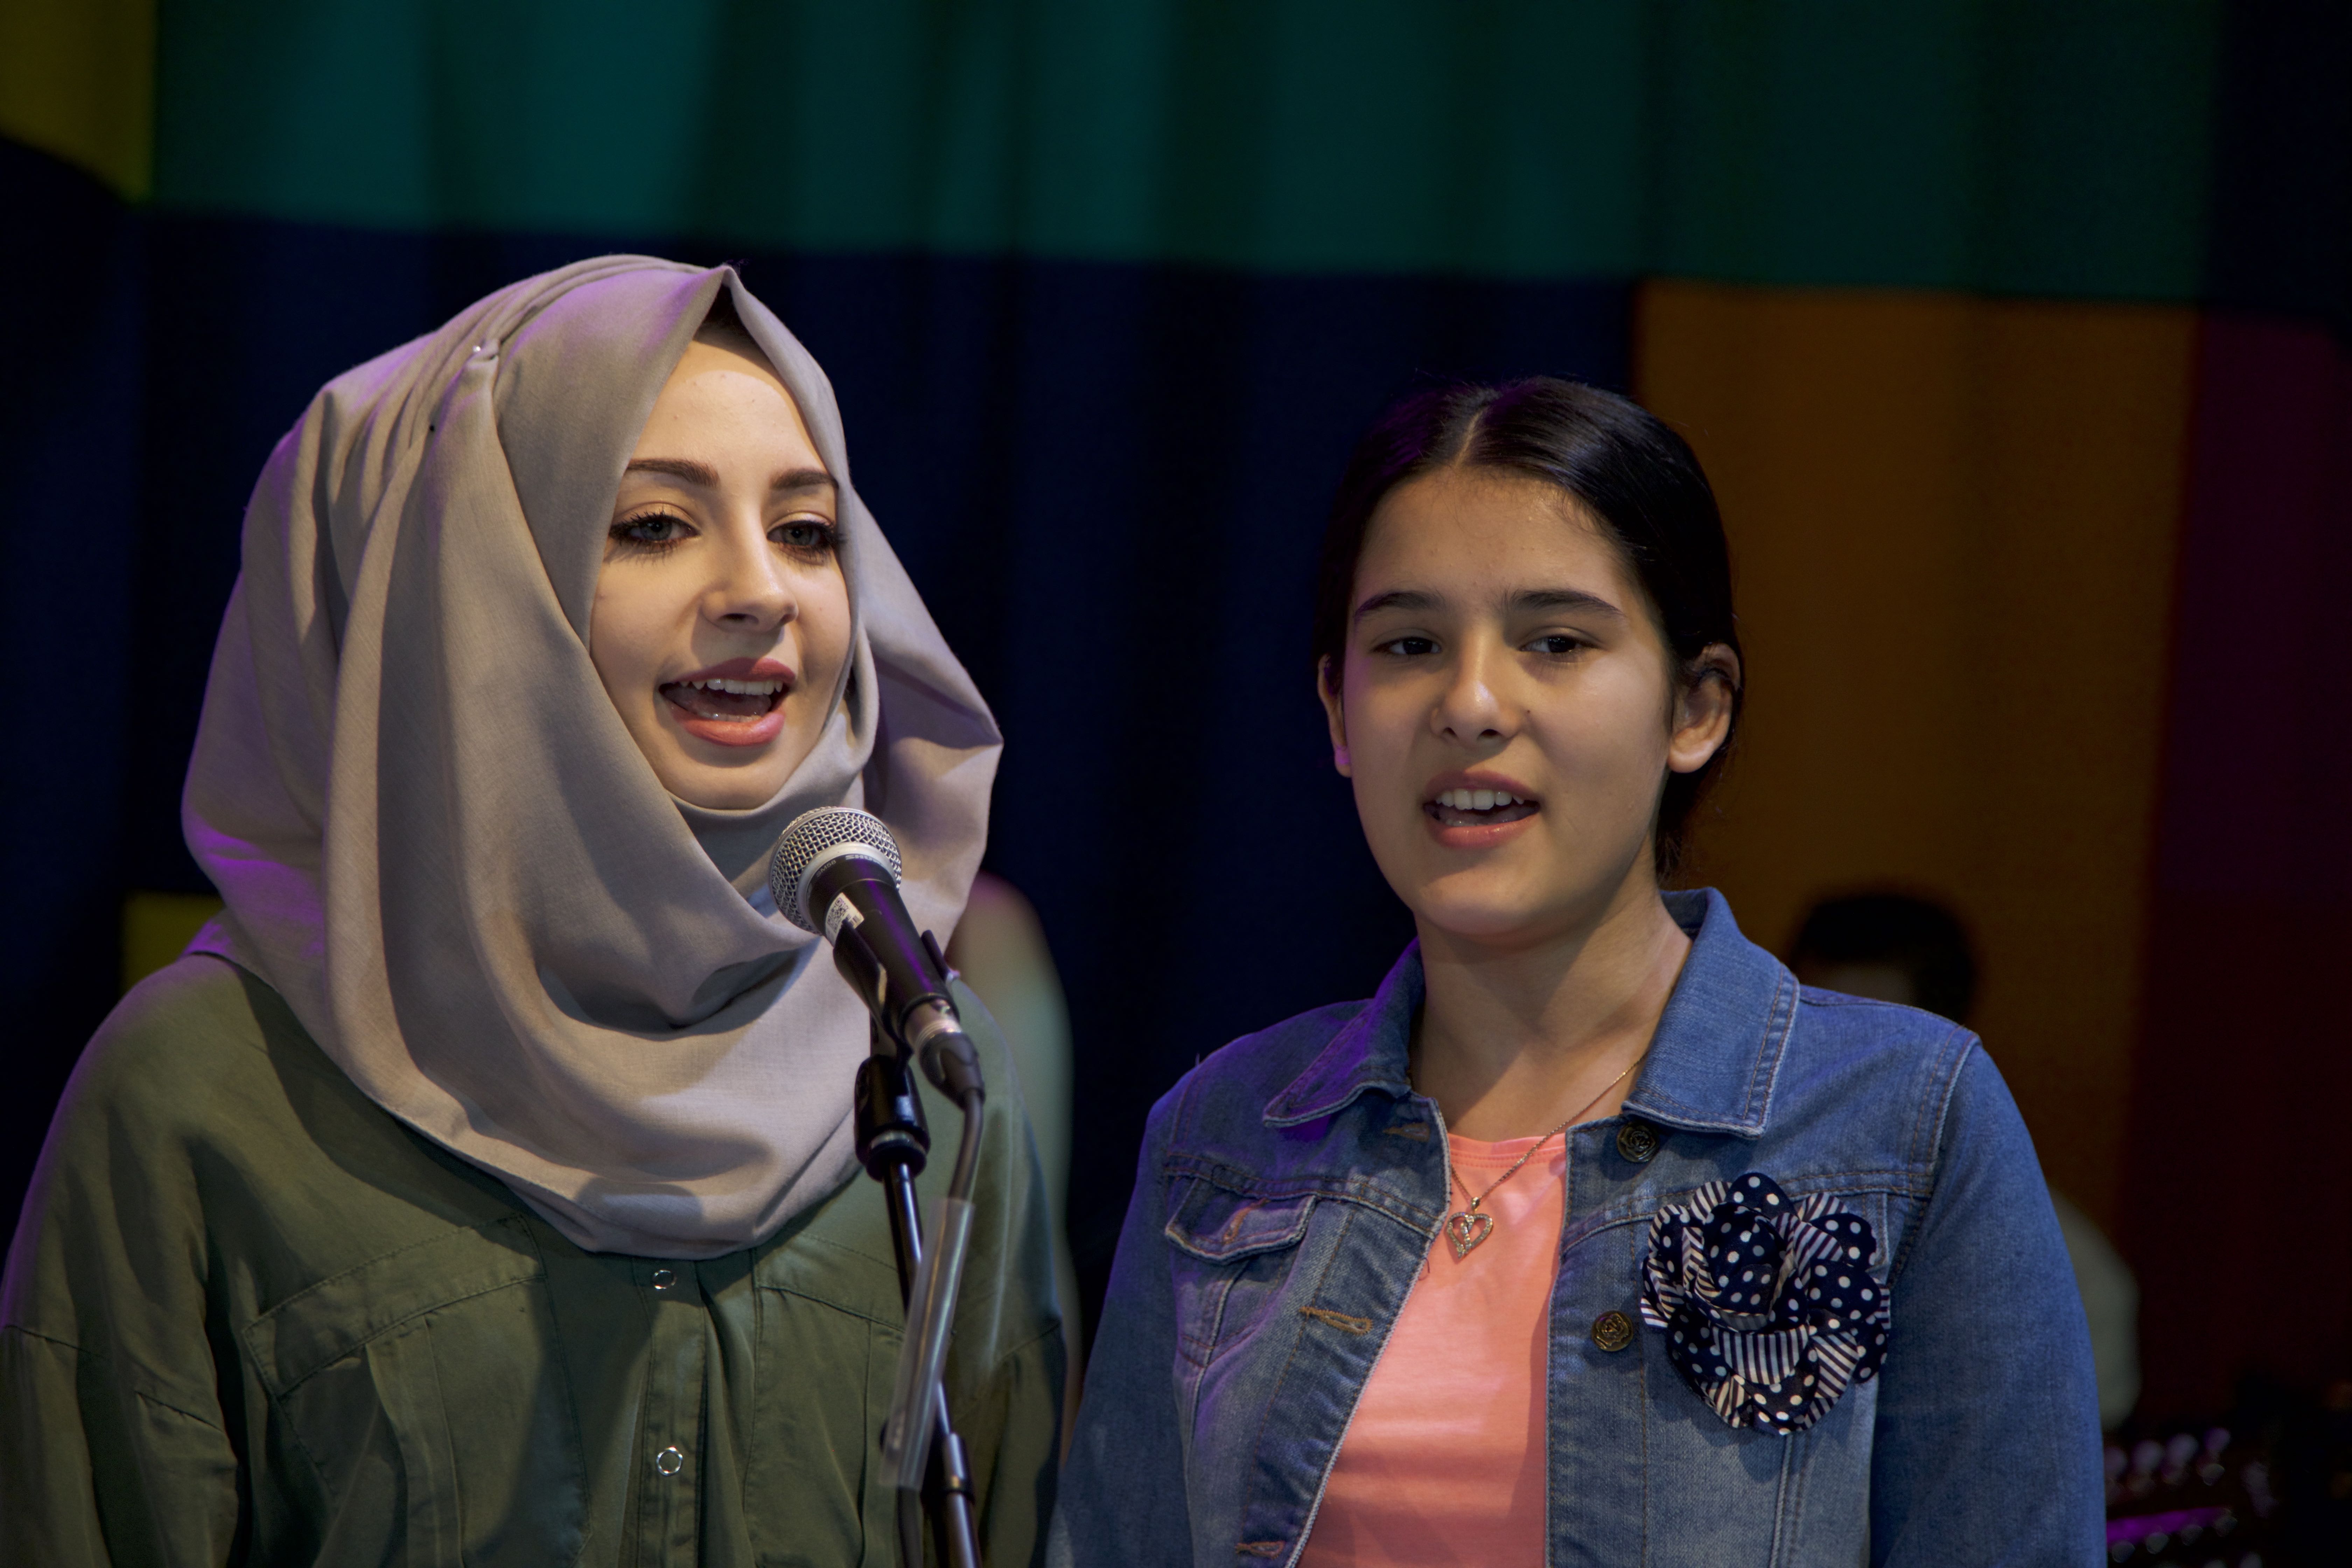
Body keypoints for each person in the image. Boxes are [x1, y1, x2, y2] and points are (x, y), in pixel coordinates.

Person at [0, 258, 1063, 1565]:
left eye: (806, 529)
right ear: (472, 595)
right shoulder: (203, 1097)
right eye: (654, 525)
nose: (762, 591)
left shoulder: (932, 1075)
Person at [1051, 379, 2101, 1565]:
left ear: (1695, 707)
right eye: (1408, 645)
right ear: (1338, 710)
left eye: (1556, 641)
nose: (1473, 702)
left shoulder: (1904, 1121)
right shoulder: (1223, 1135)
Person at [1790, 891, 2142, 1430]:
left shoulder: (2068, 1272)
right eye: (1815, 1041)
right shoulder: (1721, 1209)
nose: (1838, 1080)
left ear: (1946, 1054)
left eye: (1874, 1051)